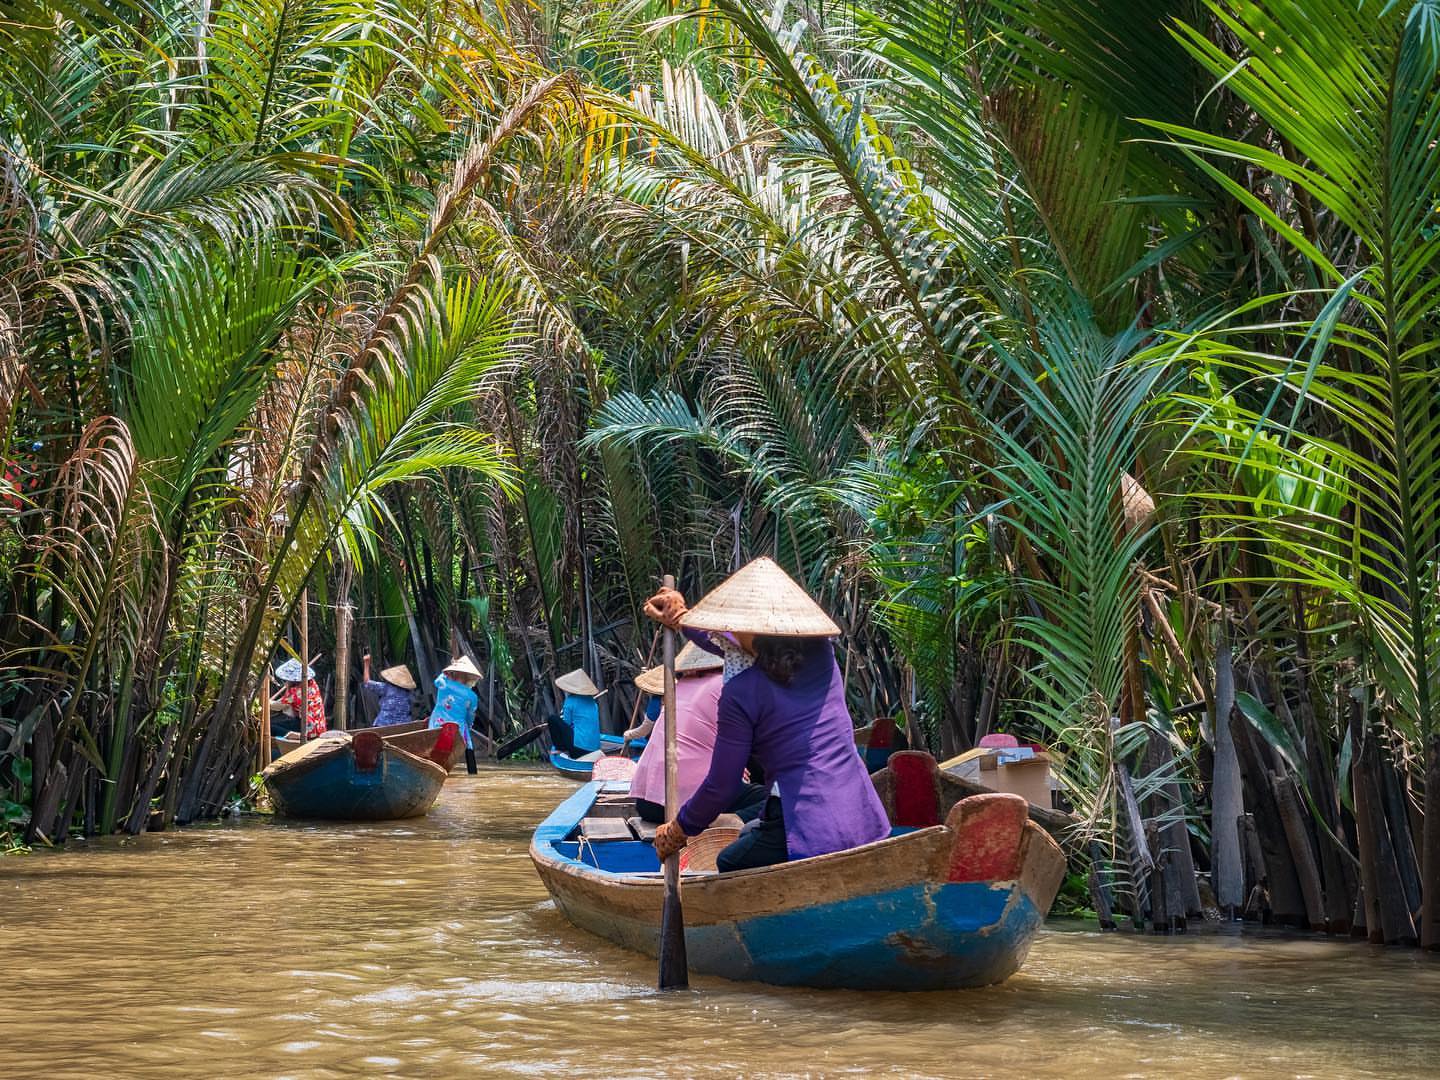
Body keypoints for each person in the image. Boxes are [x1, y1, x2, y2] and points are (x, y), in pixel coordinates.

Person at [645, 557, 891, 873]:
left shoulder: (741, 692)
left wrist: (679, 829)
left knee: (729, 862)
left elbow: (721, 785)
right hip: (862, 815)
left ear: (746, 629)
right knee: (749, 831)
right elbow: (734, 648)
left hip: (805, 825)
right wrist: (680, 618)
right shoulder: (821, 655)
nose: (724, 632)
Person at [626, 642, 767, 824]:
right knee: (780, 801)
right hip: (691, 804)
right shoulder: (727, 686)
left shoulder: (679, 687)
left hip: (648, 805)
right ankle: (729, 820)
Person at [430, 655, 481, 774]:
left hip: (437, 724)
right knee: (469, 746)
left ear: (453, 673)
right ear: (469, 677)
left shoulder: (443, 684)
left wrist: (448, 672)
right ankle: (472, 773)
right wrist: (469, 726)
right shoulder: (472, 696)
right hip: (459, 729)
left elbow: (437, 680)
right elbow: (470, 716)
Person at [548, 669, 602, 756]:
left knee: (552, 719)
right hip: (595, 748)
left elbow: (567, 723)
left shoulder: (570, 701)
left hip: (578, 748)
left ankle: (560, 749)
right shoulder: (592, 701)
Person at [270, 658, 326, 740]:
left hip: (308, 731)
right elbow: (285, 701)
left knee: (272, 727)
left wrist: (266, 702)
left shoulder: (295, 692)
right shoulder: (312, 684)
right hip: (319, 728)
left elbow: (277, 706)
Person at [362, 654, 417, 727]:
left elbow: (367, 682)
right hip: (404, 725)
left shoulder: (386, 688)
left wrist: (366, 663)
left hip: (384, 724)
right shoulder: (408, 693)